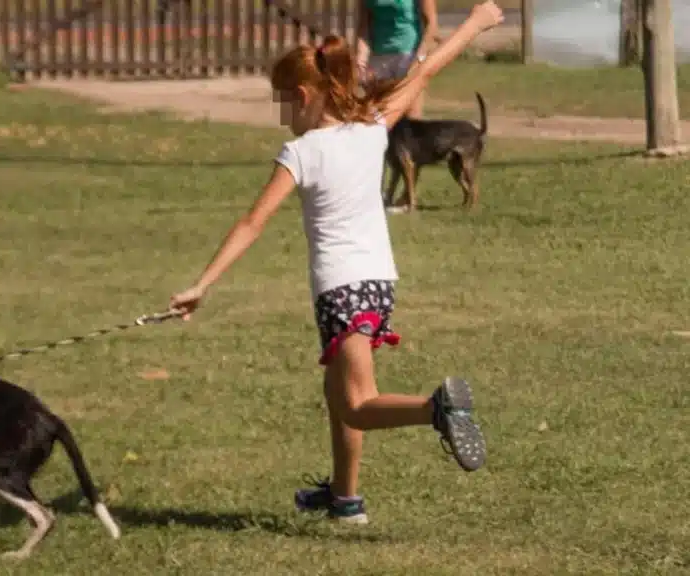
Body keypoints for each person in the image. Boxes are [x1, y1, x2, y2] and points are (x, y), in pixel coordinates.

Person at [166, 2, 503, 525]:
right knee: (336, 389)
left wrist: (202, 284)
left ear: (304, 97)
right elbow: (427, 69)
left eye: (283, 103)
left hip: (341, 290)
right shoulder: (371, 126)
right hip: (378, 284)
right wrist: (475, 25)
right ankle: (345, 499)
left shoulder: (300, 152)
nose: (282, 115)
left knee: (356, 402)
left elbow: (252, 223)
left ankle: (437, 408)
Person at [355, 0, 439, 119]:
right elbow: (364, 25)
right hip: (379, 58)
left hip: (409, 56)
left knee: (411, 119)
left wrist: (419, 60)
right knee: (377, 119)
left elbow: (431, 24)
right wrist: (361, 61)